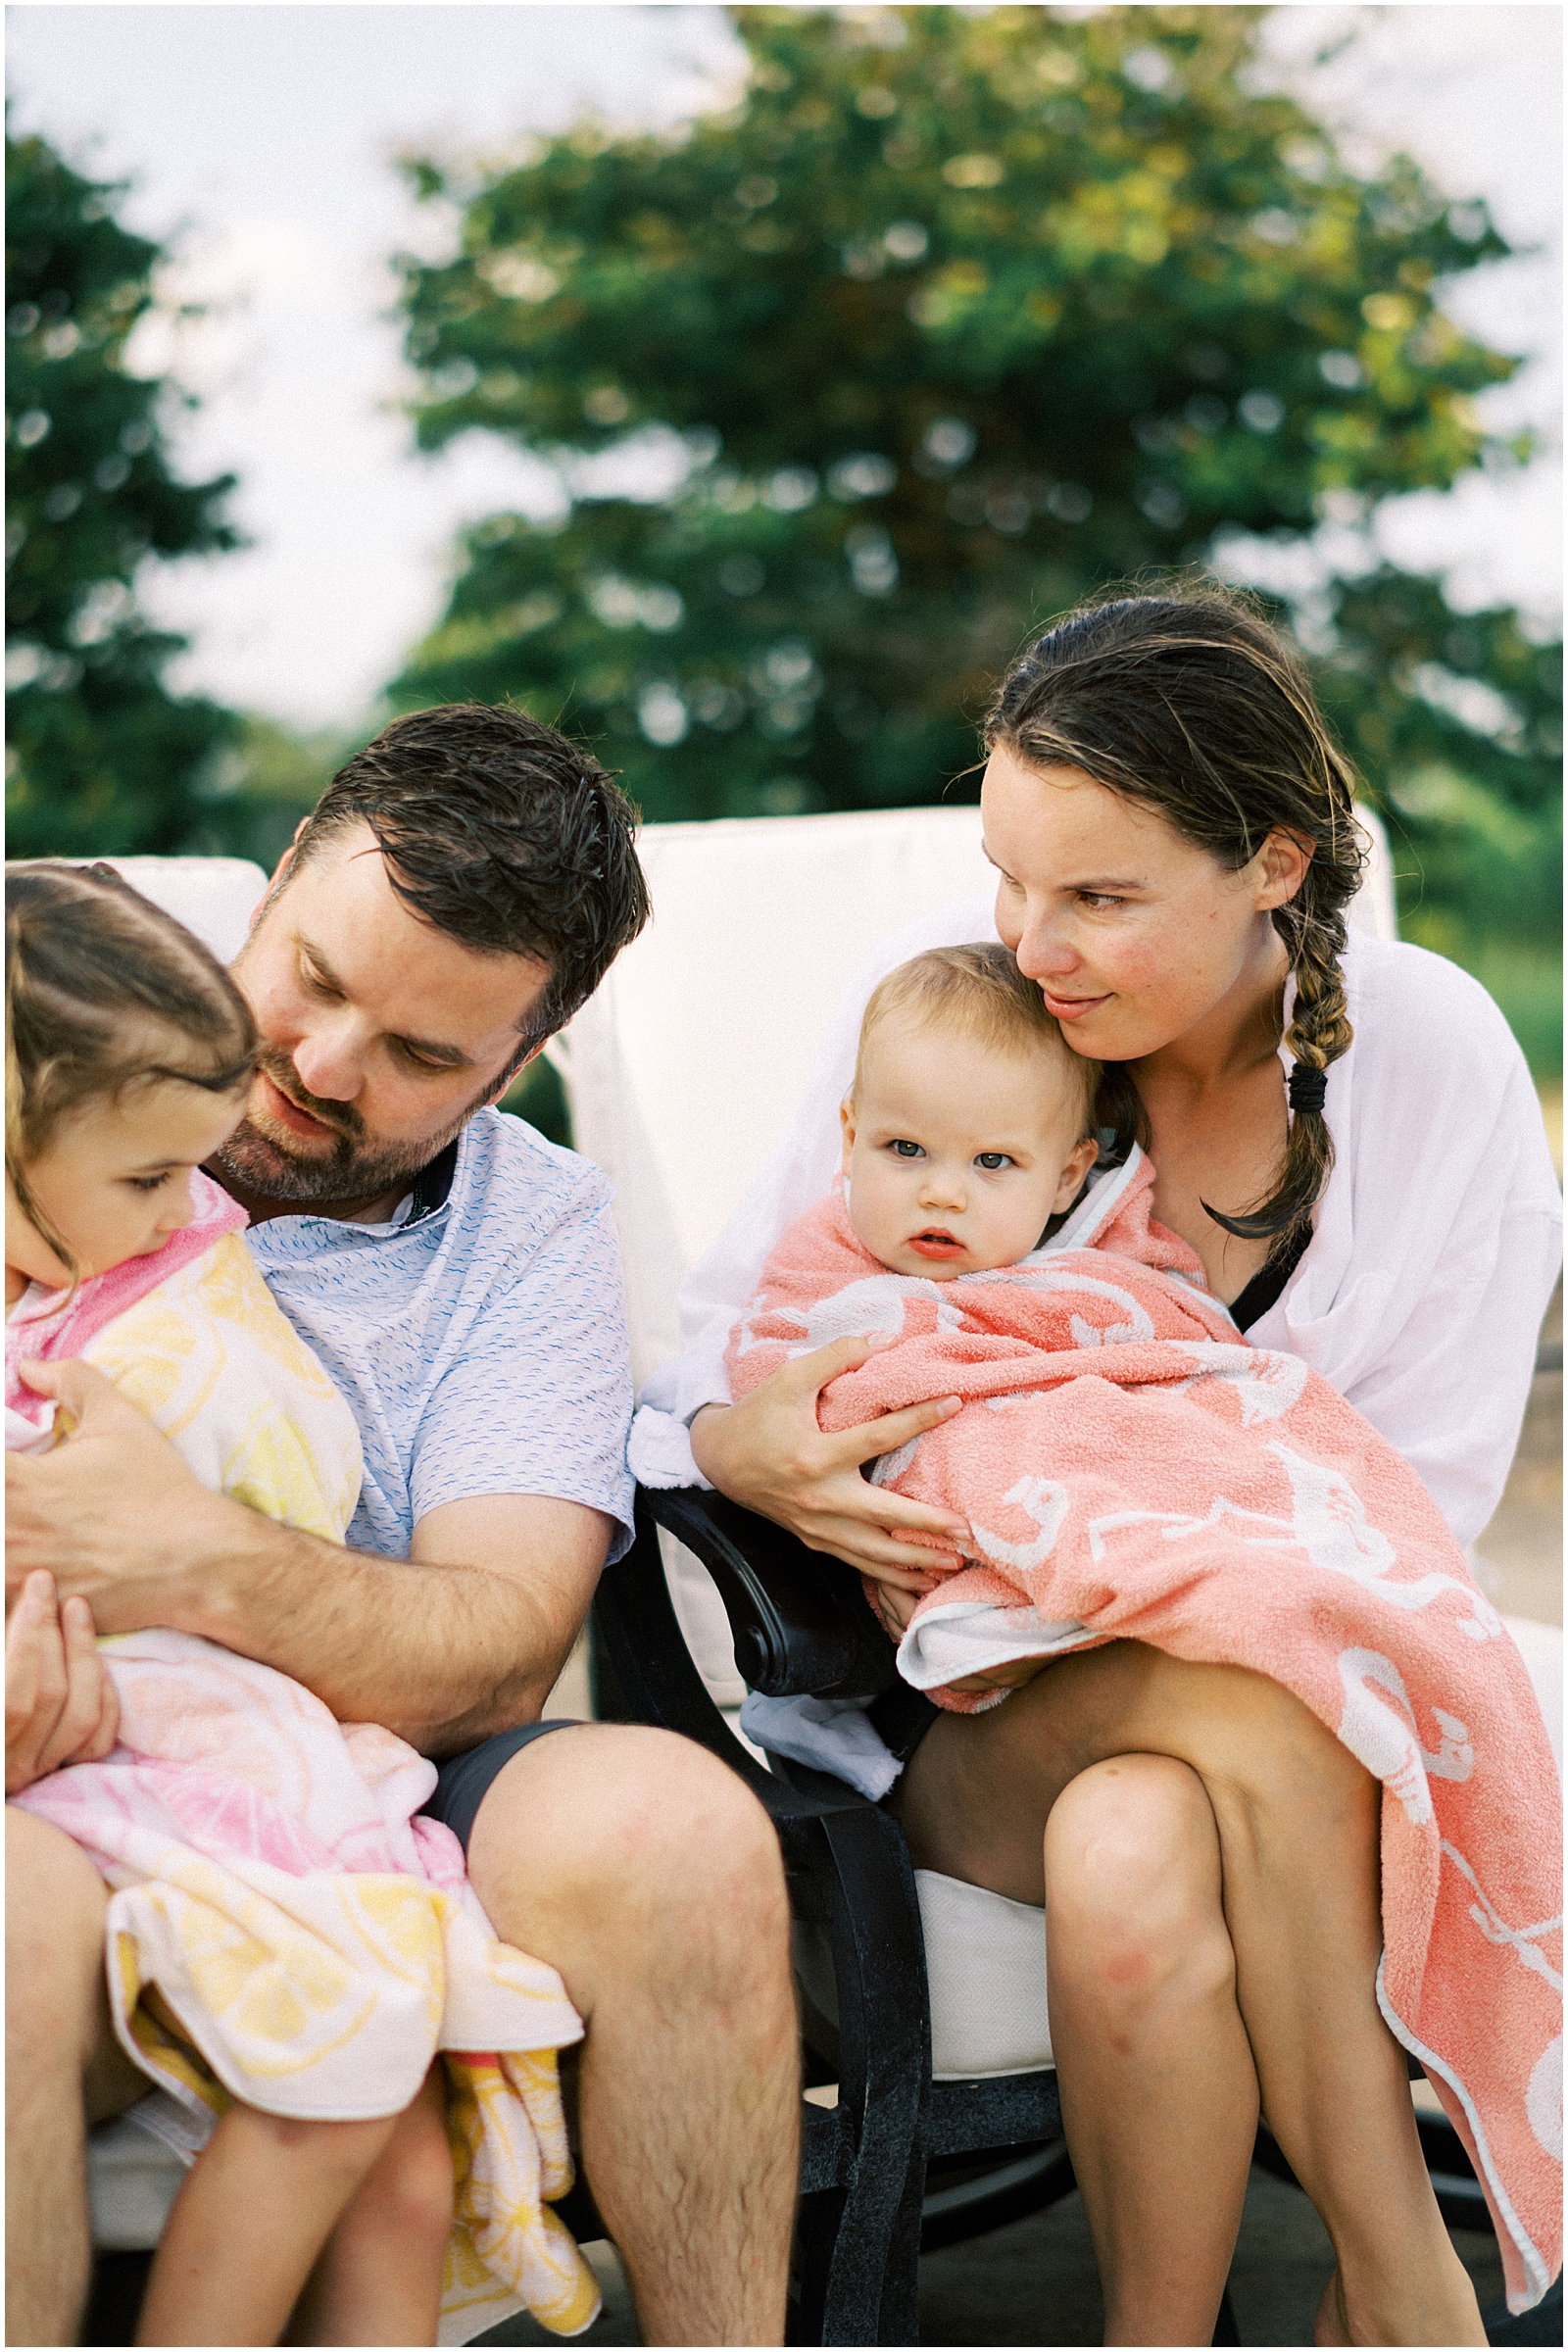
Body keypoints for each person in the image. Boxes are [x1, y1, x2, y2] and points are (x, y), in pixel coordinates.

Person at [633, 589, 1564, 2345]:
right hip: (955, 1704)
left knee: (1151, 1839)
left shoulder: (1433, 1072)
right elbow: (719, 1351)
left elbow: (1407, 1516)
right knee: (1266, 1695)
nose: (1034, 939)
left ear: (1275, 862)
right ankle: (1402, 2283)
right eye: (1010, 876)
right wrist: (736, 1446)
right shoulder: (969, 1004)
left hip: (1268, 1693)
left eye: (1100, 897)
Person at [6, 705, 799, 2349]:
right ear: (279, 874)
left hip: (359, 1777)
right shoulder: (42, 1062)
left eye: (428, 1055)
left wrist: (190, 1558)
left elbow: (499, 1651)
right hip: (39, 1788)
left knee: (675, 1826)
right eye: (314, 976)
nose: (319, 1069)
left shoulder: (529, 1231)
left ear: (522, 1064)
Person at [6, 861, 607, 2348]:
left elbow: (310, 1493)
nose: (193, 1211)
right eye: (152, 1181)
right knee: (344, 2103)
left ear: (517, 1066)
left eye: (420, 1049)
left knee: (401, 2156)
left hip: (217, 1736)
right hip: (112, 1771)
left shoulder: (157, 1260)